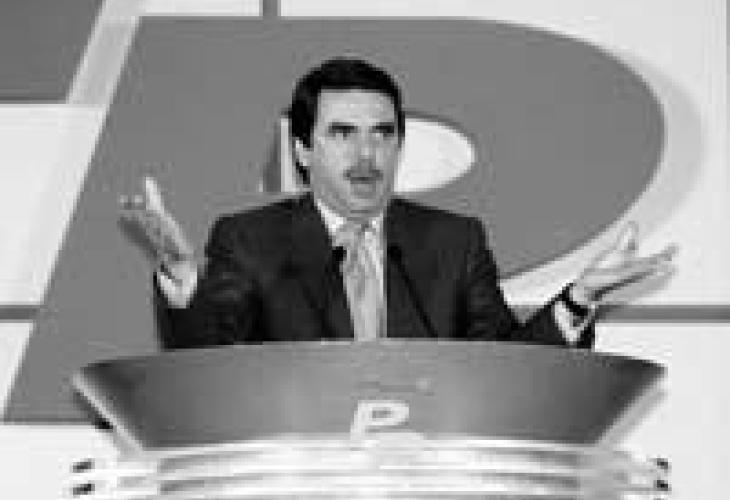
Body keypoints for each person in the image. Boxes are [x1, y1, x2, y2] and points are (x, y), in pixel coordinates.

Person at [120, 57, 675, 350]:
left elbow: (509, 369)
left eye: (382, 134)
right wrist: (185, 282)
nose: (367, 155)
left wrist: (579, 298)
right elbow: (212, 364)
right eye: (343, 134)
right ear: (303, 150)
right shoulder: (250, 240)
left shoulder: (454, 242)